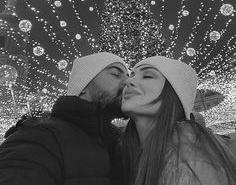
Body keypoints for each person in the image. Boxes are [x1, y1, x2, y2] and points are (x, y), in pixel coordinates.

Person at [0, 52, 128, 185]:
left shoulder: (122, 140)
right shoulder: (38, 137)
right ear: (84, 86)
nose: (128, 83)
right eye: (115, 74)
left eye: (129, 77)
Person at [121, 55, 236, 185]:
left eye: (147, 76)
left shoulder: (189, 160)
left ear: (174, 95)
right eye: (131, 75)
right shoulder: (139, 151)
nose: (127, 82)